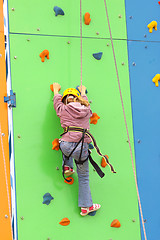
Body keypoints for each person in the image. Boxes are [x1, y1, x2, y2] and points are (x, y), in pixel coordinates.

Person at [53, 82, 101, 216]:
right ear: (77, 98)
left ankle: (67, 167)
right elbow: (85, 101)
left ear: (65, 100)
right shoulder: (86, 109)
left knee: (65, 141)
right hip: (81, 147)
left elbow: (56, 103)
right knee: (84, 176)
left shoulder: (62, 108)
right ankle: (86, 207)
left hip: (66, 145)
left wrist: (56, 91)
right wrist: (83, 92)